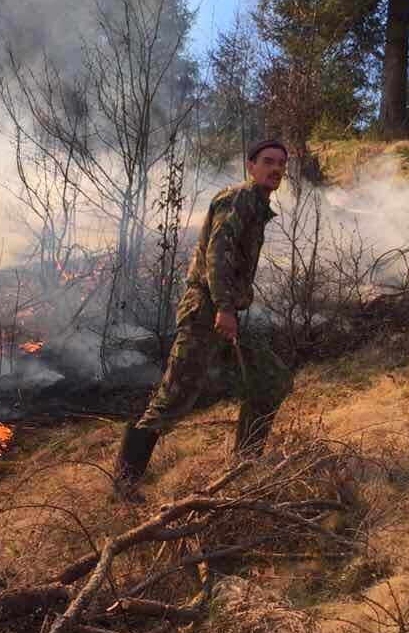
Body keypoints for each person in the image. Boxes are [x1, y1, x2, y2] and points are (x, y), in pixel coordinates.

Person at [111, 140, 295, 501]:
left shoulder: (257, 206)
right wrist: (224, 307)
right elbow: (217, 254)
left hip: (223, 313)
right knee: (172, 398)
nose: (276, 169)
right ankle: (124, 485)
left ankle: (244, 467)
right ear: (251, 166)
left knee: (271, 380)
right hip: (206, 312)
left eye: (281, 164)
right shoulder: (239, 199)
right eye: (268, 161)